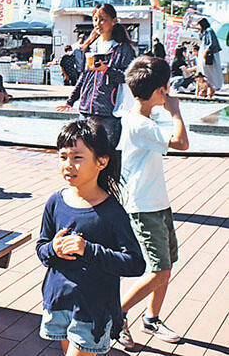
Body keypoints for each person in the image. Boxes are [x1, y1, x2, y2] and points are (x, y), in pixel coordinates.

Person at [37, 120, 145, 356]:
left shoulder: (111, 212)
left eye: (77, 157)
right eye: (62, 157)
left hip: (93, 310)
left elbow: (136, 263)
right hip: (58, 302)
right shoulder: (56, 202)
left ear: (102, 161)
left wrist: (89, 250)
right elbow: (42, 248)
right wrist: (53, 249)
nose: (68, 165)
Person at [116, 56, 189, 350]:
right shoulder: (139, 125)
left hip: (157, 201)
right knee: (158, 269)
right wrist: (176, 112)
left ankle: (151, 318)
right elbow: (182, 143)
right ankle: (116, 313)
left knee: (166, 266)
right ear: (161, 90)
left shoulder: (141, 118)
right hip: (143, 206)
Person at [57, 4, 136, 154]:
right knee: (86, 153)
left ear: (114, 21)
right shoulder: (93, 47)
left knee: (107, 155)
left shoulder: (122, 48)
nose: (97, 24)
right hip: (86, 110)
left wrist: (106, 70)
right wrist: (71, 100)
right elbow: (85, 77)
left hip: (108, 112)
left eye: (102, 20)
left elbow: (128, 77)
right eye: (95, 20)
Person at [196, 18, 223, 97]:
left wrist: (205, 52)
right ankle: (209, 90)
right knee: (207, 72)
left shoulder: (209, 31)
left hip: (209, 55)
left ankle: (210, 89)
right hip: (208, 54)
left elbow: (211, 43)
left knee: (209, 72)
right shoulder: (207, 31)